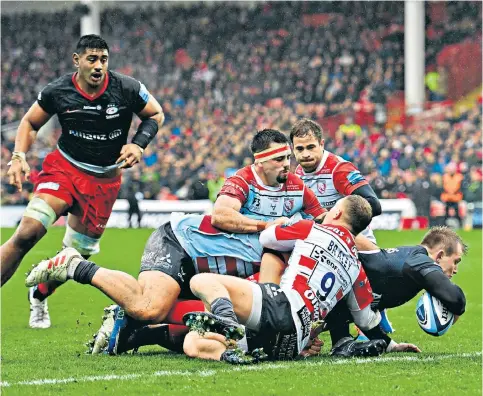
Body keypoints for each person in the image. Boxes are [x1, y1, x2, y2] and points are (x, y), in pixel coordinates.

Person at [25, 129, 326, 352]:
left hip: (209, 272)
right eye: (279, 158)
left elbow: (327, 222)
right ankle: (75, 265)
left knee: (216, 323)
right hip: (180, 243)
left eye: (289, 156)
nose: (289, 164)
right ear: (260, 163)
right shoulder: (243, 180)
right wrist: (267, 225)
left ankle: (128, 324)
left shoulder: (298, 189)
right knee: (149, 307)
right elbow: (221, 216)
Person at [0, 34, 164, 329]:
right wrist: (18, 155)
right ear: (77, 61)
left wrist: (139, 144)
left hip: (104, 182)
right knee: (27, 232)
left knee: (76, 256)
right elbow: (30, 122)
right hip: (64, 170)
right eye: (92, 59)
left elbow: (155, 114)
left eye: (103, 59)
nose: (99, 65)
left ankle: (39, 294)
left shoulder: (126, 87)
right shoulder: (58, 90)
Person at [181, 196, 419, 364]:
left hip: (283, 306)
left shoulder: (312, 229)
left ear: (335, 213)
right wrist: (391, 345)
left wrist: (284, 223)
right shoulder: (356, 268)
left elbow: (267, 238)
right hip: (294, 342)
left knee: (202, 281)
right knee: (192, 342)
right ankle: (230, 352)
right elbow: (366, 319)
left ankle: (226, 321)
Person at [290, 118, 392, 337]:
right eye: (299, 149)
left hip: (357, 244)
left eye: (311, 147)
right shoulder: (296, 176)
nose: (306, 154)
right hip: (325, 247)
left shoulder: (339, 169)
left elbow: (374, 205)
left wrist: (333, 220)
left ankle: (370, 319)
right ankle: (338, 338)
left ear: (322, 144)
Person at [324, 226, 467, 356]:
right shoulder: (420, 261)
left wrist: (390, 346)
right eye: (456, 261)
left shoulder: (412, 263)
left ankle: (340, 342)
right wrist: (456, 308)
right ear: (440, 256)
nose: (455, 270)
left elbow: (360, 309)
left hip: (320, 305)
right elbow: (456, 299)